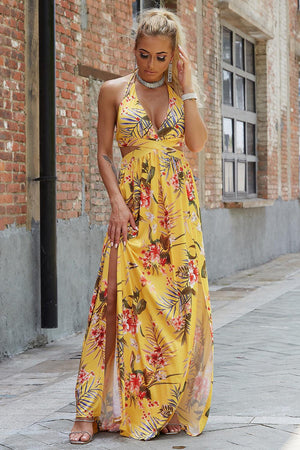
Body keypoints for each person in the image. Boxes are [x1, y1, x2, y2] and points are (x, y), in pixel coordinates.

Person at [69, 8, 213, 444]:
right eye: (143, 54)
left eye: (161, 57)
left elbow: (196, 144)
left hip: (178, 215)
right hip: (131, 209)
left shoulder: (180, 91)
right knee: (114, 302)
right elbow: (103, 154)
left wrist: (187, 89)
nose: (150, 64)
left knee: (179, 307)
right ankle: (88, 410)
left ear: (174, 56)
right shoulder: (113, 90)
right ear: (133, 49)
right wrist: (115, 201)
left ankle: (167, 403)